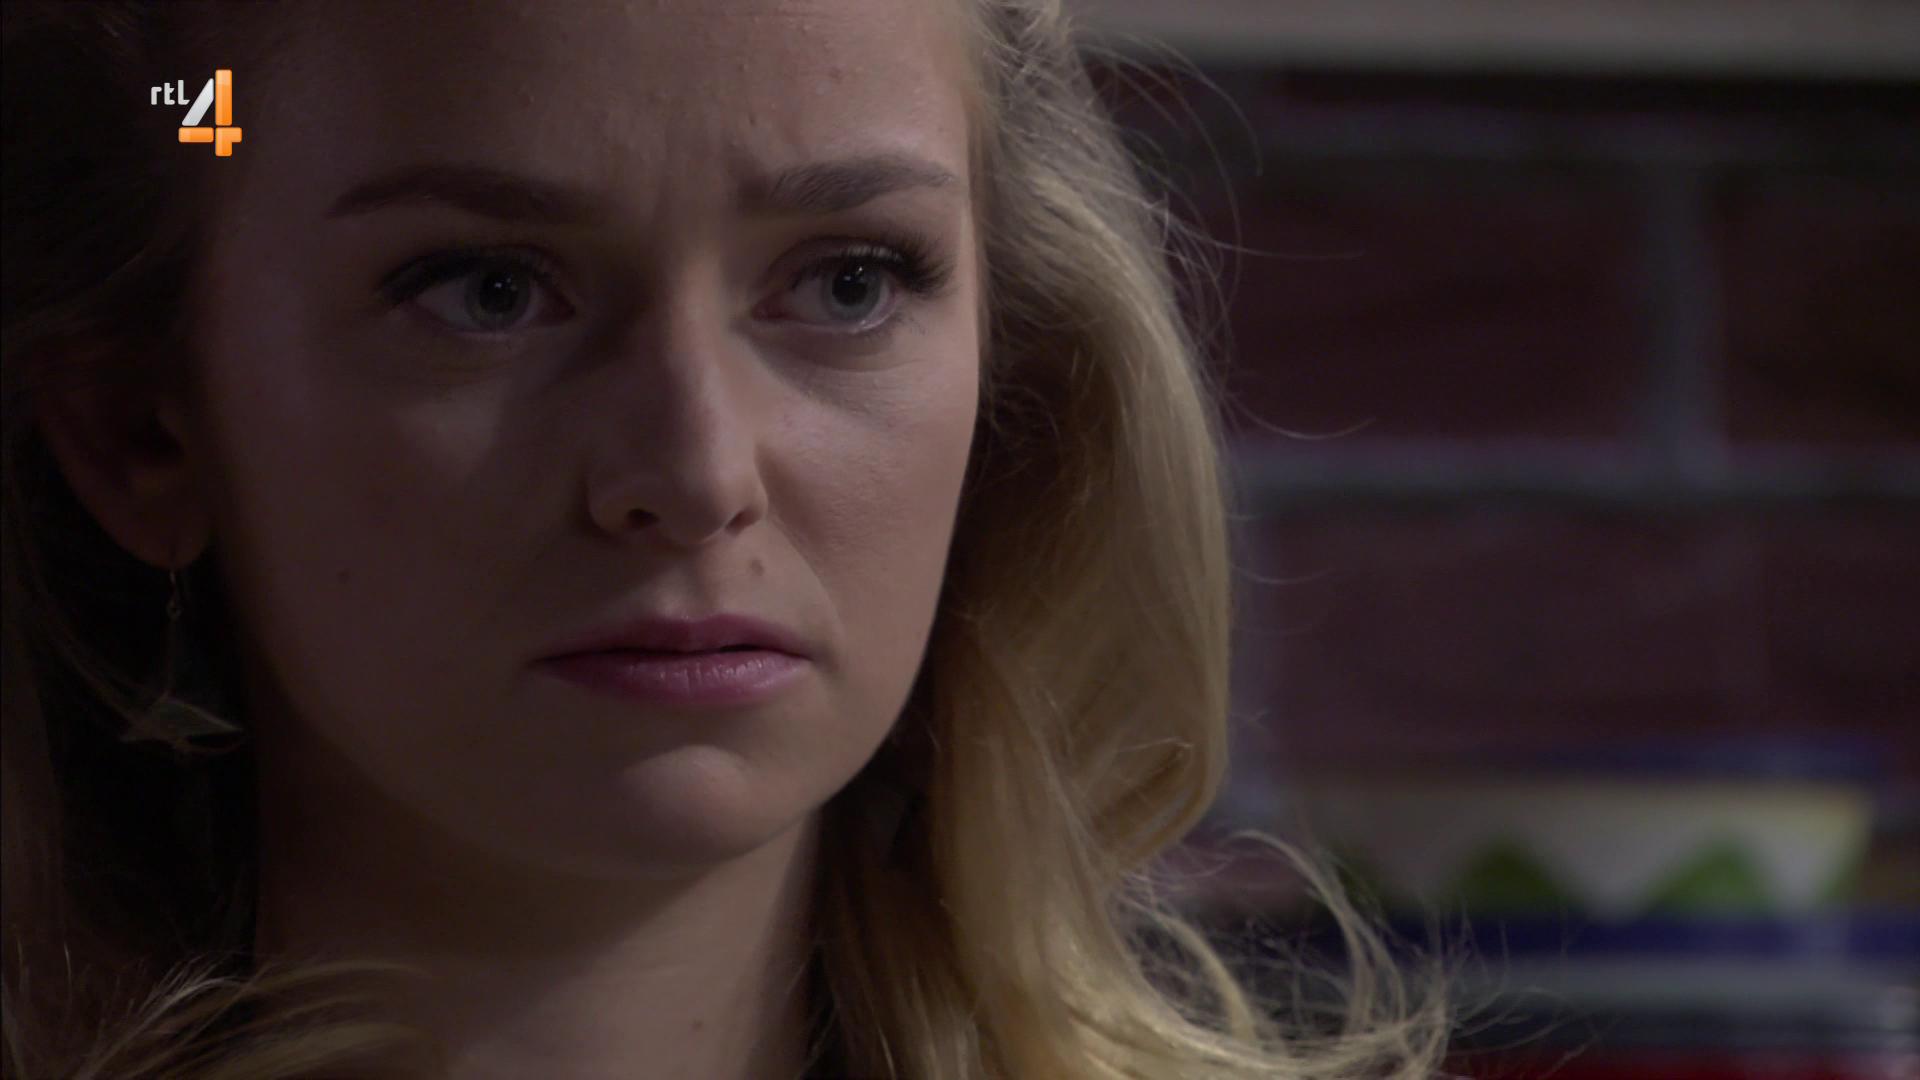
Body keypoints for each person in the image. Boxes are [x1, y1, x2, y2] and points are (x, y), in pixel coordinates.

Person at [1, 1, 1451, 1077]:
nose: (694, 474)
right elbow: (191, 110)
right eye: (487, 290)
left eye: (847, 282)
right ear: (144, 431)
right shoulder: (204, 105)